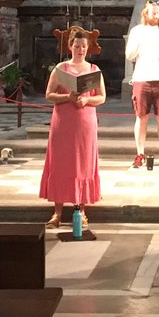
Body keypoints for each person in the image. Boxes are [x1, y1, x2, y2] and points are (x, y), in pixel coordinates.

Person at [39, 27, 106, 229]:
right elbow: (49, 95)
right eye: (77, 46)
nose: (80, 50)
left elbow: (101, 97)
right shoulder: (61, 69)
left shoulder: (94, 70)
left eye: (84, 47)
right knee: (61, 164)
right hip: (63, 122)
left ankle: (81, 210)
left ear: (88, 48)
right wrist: (67, 97)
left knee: (83, 164)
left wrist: (86, 100)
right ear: (70, 47)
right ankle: (57, 212)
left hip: (84, 122)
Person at [125, 0, 159, 168]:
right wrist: (140, 42)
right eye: (152, 12)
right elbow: (129, 55)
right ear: (145, 13)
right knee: (141, 118)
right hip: (142, 78)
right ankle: (139, 153)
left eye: (157, 13)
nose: (155, 16)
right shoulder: (137, 31)